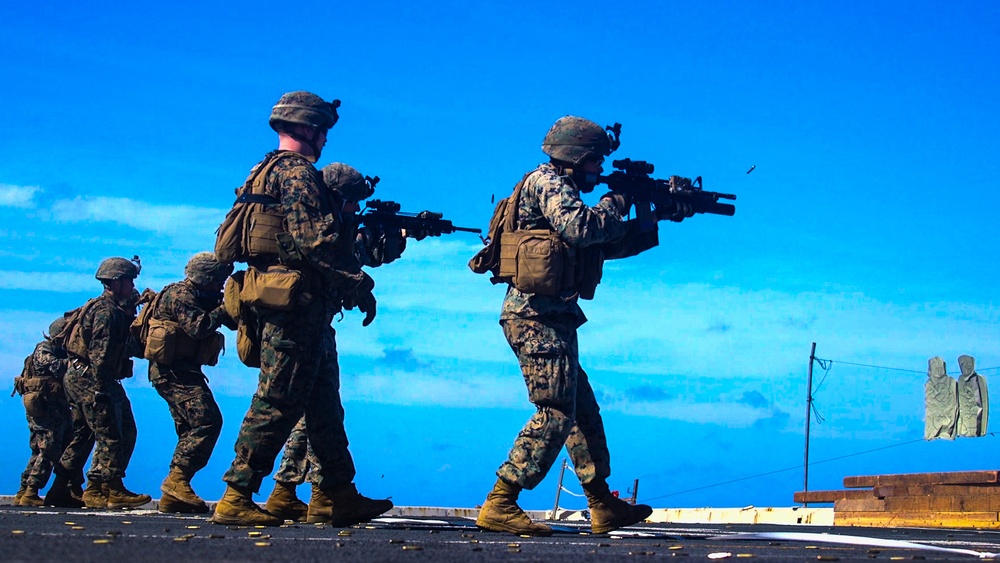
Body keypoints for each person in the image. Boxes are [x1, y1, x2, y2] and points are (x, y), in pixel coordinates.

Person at [474, 116, 685, 536]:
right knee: (555, 410)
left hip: (551, 317)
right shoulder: (547, 183)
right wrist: (619, 201)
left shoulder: (557, 188)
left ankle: (600, 503)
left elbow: (601, 245)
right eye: (595, 162)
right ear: (577, 157)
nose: (598, 171)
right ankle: (500, 500)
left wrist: (656, 217)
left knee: (581, 412)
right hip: (535, 316)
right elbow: (584, 228)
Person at [211, 92, 391, 527]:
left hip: (289, 300)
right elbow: (316, 241)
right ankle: (237, 494)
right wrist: (358, 281)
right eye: (323, 130)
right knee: (278, 399)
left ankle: (337, 496)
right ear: (306, 128)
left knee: (324, 405)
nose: (326, 139)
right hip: (297, 306)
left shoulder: (262, 169)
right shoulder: (297, 174)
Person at [264, 163, 402, 523]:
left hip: (315, 321)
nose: (356, 210)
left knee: (320, 413)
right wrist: (369, 265)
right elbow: (343, 260)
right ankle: (250, 489)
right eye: (352, 203)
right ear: (337, 197)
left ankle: (321, 495)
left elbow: (355, 257)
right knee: (289, 410)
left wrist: (388, 242)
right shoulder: (317, 231)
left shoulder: (332, 227)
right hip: (302, 322)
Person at [57, 257, 150, 509]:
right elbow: (101, 352)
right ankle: (107, 488)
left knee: (92, 433)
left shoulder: (101, 307)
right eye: (129, 281)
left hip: (81, 375)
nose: (132, 286)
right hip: (93, 377)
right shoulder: (107, 312)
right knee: (112, 433)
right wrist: (101, 389)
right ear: (116, 282)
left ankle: (77, 489)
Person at [146, 252, 234, 513]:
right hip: (173, 372)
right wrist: (223, 308)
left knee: (190, 428)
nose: (220, 285)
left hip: (182, 371)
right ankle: (176, 481)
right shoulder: (180, 295)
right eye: (217, 280)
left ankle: (175, 493)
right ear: (205, 278)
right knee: (207, 421)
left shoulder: (198, 296)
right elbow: (199, 327)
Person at [13, 317, 74, 506]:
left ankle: (24, 491)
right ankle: (31, 490)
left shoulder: (54, 349)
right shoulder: (44, 349)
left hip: (50, 407)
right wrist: (75, 363)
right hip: (46, 407)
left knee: (40, 450)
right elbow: (56, 366)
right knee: (48, 449)